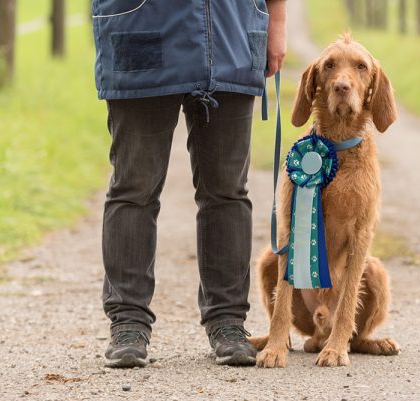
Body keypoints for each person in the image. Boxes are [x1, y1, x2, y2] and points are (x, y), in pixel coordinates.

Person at [91, 0, 287, 368]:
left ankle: (228, 322)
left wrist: (277, 21)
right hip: (141, 27)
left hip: (232, 34)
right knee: (133, 189)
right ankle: (128, 324)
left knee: (227, 191)